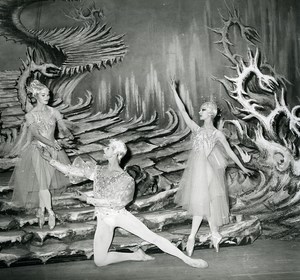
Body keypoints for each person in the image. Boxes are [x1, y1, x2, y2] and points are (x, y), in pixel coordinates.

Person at [41, 139, 208, 268]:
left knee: (152, 237)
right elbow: (73, 170)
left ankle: (187, 259)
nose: (104, 149)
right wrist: (51, 161)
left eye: (108, 148)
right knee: (99, 261)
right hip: (103, 219)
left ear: (115, 153)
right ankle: (136, 256)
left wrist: (89, 199)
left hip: (119, 216)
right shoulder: (98, 170)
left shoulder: (126, 179)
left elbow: (117, 203)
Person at [169, 79, 253, 256]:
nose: (199, 111)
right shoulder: (196, 129)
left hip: (207, 170)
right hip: (198, 170)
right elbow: (182, 111)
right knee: (205, 202)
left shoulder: (217, 134)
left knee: (204, 202)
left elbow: (229, 152)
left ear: (211, 114)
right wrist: (174, 90)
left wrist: (243, 167)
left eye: (203, 109)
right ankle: (214, 234)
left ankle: (194, 236)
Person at [9, 79, 73, 230]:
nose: (47, 97)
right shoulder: (30, 115)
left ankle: (41, 210)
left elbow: (63, 128)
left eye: (48, 95)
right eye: (43, 95)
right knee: (43, 184)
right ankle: (51, 213)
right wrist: (52, 144)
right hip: (38, 150)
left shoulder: (54, 112)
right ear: (36, 96)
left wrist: (68, 134)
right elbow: (36, 135)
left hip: (54, 151)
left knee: (45, 184)